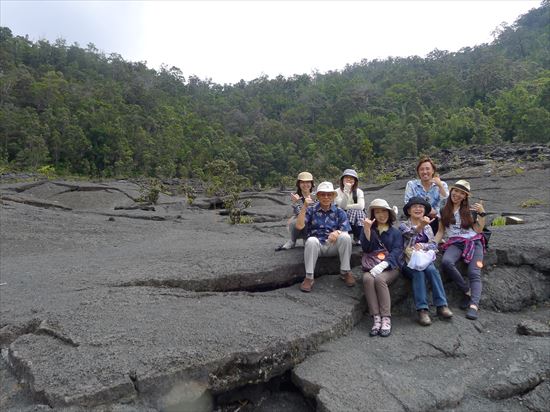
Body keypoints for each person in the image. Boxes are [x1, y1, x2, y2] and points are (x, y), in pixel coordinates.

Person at [435, 180, 487, 320]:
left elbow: (478, 230)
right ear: (451, 191)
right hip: (455, 242)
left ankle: (474, 306)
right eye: (455, 191)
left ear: (465, 196)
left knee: (473, 272)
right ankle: (467, 291)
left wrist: (482, 214)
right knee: (446, 262)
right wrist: (431, 244)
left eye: (461, 193)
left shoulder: (470, 210)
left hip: (473, 242)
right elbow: (441, 232)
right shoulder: (443, 209)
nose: (457, 194)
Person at [399, 196, 453, 326]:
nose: (418, 209)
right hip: (408, 261)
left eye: (421, 207)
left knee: (432, 270)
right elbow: (409, 235)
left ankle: (441, 305)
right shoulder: (403, 225)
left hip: (424, 259)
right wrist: (420, 226)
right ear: (409, 210)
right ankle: (422, 310)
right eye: (415, 206)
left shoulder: (428, 227)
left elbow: (433, 244)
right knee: (418, 273)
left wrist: (423, 246)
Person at [295, 181, 354, 293]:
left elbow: (345, 229)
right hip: (317, 246)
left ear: (332, 196)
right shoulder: (311, 210)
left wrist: (337, 232)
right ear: (318, 196)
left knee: (345, 237)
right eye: (322, 194)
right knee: (311, 240)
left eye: (329, 194)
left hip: (333, 246)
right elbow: (299, 226)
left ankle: (345, 272)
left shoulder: (339, 211)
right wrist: (304, 207)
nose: (326, 197)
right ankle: (309, 277)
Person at [361, 199, 403, 337]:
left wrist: (384, 265)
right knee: (367, 278)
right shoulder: (370, 229)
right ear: (373, 215)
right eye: (377, 212)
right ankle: (376, 317)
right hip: (372, 266)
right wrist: (367, 230)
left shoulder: (395, 232)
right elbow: (366, 248)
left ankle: (386, 317)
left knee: (379, 280)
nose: (381, 214)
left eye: (384, 211)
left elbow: (397, 251)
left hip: (391, 267)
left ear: (389, 213)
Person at [404, 156, 448, 235]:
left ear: (433, 170)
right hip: (417, 217)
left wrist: (440, 186)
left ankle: (437, 237)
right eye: (421, 169)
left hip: (436, 219)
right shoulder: (412, 184)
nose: (424, 172)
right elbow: (408, 203)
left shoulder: (442, 184)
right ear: (418, 172)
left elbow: (446, 203)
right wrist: (428, 211)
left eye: (427, 169)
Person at [276, 171, 315, 251]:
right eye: (302, 182)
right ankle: (292, 241)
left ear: (311, 183)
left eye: (308, 182)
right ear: (299, 184)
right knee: (299, 220)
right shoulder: (296, 196)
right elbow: (298, 214)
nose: (305, 184)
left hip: (314, 223)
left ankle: (307, 239)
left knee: (308, 220)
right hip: (300, 224)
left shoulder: (316, 196)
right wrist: (295, 202)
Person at [335, 169, 366, 246]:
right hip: (340, 216)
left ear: (355, 181)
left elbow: (361, 206)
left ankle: (358, 237)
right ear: (342, 180)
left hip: (355, 218)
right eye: (347, 177)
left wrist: (347, 207)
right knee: (353, 211)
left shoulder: (359, 192)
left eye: (351, 178)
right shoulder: (336, 192)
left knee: (358, 212)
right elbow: (341, 207)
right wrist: (346, 191)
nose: (349, 179)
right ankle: (346, 235)